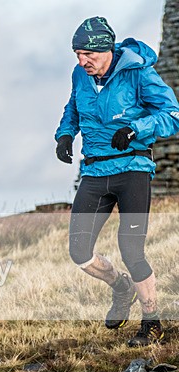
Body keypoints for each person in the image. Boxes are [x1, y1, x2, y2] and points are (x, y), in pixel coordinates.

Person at [56, 16, 179, 346]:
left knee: (132, 250)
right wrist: (66, 134)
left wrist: (136, 130)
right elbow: (73, 108)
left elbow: (171, 114)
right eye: (77, 55)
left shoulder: (138, 72)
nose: (82, 62)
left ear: (107, 50)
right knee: (79, 252)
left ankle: (151, 322)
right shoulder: (80, 75)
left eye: (87, 55)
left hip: (132, 170)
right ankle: (121, 289)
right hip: (95, 173)